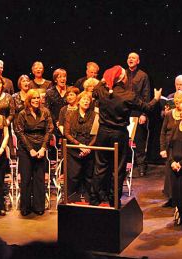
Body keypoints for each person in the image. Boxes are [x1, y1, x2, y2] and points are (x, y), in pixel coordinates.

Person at [89, 65, 161, 207]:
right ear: (122, 78)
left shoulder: (101, 90)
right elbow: (147, 108)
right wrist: (156, 98)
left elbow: (96, 88)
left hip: (102, 133)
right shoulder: (129, 95)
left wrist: (105, 80)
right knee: (118, 168)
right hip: (119, 134)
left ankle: (94, 198)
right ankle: (114, 200)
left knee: (100, 166)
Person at [14, 89, 54, 216]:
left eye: (38, 98)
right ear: (29, 100)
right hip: (26, 149)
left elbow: (49, 130)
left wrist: (43, 148)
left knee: (39, 179)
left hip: (41, 147)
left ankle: (38, 206)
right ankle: (25, 206)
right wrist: (30, 149)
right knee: (26, 178)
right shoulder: (22, 114)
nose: (36, 100)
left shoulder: (45, 112)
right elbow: (19, 132)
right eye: (34, 98)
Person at [64, 91, 97, 199]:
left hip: (89, 148)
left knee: (89, 175)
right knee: (73, 175)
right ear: (78, 101)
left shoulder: (95, 115)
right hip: (74, 148)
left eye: (88, 100)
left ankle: (89, 199)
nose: (86, 101)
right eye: (84, 99)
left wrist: (88, 147)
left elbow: (96, 134)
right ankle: (73, 199)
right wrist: (79, 145)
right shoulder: (70, 115)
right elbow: (67, 133)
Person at [125, 52, 151, 176]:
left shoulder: (143, 75)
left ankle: (141, 165)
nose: (131, 59)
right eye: (129, 58)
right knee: (124, 140)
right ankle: (125, 164)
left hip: (137, 111)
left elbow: (146, 95)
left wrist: (143, 114)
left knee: (139, 141)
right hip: (124, 111)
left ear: (138, 61)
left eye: (133, 58)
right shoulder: (122, 74)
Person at [160, 90, 182, 207]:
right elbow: (162, 132)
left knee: (179, 172)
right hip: (169, 147)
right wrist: (162, 148)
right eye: (175, 98)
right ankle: (171, 198)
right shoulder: (169, 114)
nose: (176, 100)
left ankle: (179, 199)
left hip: (181, 148)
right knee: (169, 173)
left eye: (179, 98)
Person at [45, 68, 68, 134]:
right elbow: (47, 110)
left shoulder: (70, 91)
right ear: (55, 80)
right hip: (53, 124)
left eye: (64, 76)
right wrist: (56, 121)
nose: (62, 79)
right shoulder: (50, 92)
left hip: (68, 124)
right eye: (59, 77)